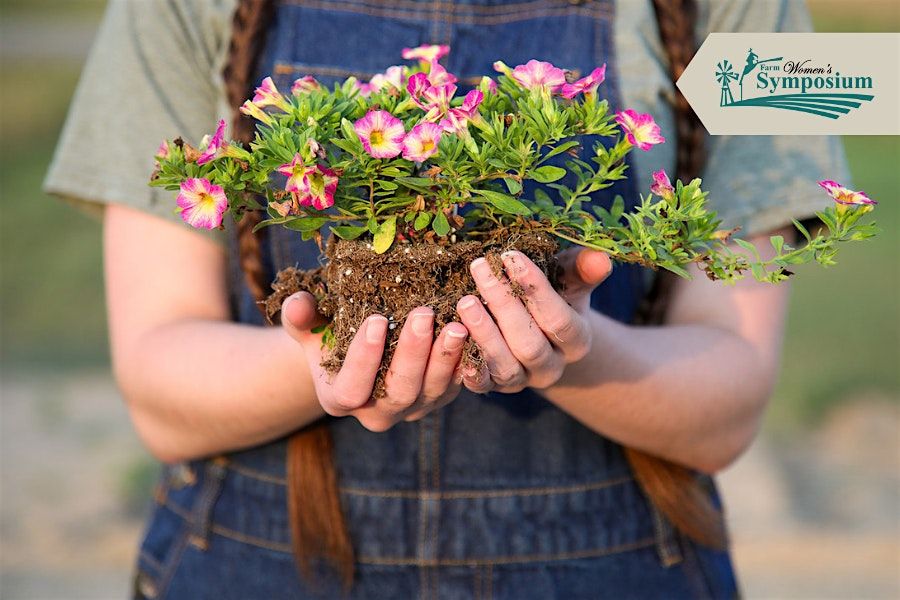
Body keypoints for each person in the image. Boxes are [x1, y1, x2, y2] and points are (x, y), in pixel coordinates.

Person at [45, 0, 849, 597]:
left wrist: (571, 348)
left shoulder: (747, 10)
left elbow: (731, 402)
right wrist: (337, 356)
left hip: (616, 567)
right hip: (262, 563)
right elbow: (158, 385)